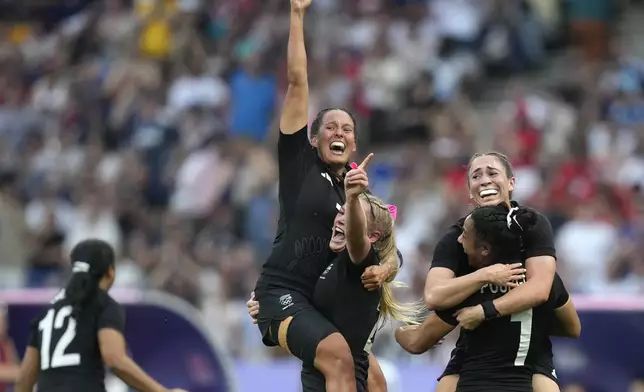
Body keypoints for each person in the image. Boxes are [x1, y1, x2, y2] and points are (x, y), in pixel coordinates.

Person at [253, 0, 394, 391]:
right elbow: (298, 82)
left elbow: (388, 232)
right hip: (282, 293)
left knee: (375, 378)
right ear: (313, 140)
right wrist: (297, 15)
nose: (339, 133)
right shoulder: (301, 167)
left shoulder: (357, 191)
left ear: (355, 142)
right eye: (329, 127)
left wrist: (388, 267)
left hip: (322, 302)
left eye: (347, 129)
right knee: (339, 358)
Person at [250, 158, 421, 391]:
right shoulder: (332, 266)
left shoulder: (359, 262)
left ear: (371, 236)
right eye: (341, 211)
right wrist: (268, 305)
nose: (341, 215)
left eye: (351, 214)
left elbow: (363, 241)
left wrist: (351, 198)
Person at [396, 204, 581, 391]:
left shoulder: (468, 289)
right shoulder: (546, 282)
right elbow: (573, 328)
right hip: (528, 381)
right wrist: (537, 325)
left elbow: (416, 342)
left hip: (476, 382)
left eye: (465, 235)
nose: (459, 240)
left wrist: (399, 332)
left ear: (484, 249)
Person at [423, 152, 559, 392]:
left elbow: (540, 290)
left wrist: (483, 311)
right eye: (476, 176)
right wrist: (484, 276)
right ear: (469, 190)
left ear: (511, 183)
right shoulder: (455, 238)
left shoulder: (533, 225)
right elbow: (434, 297)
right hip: (473, 358)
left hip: (530, 356)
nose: (484, 180)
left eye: (493, 173)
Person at [15, 239, 186, 392]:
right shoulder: (103, 305)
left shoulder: (46, 314)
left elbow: (24, 380)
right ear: (110, 272)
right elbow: (114, 359)